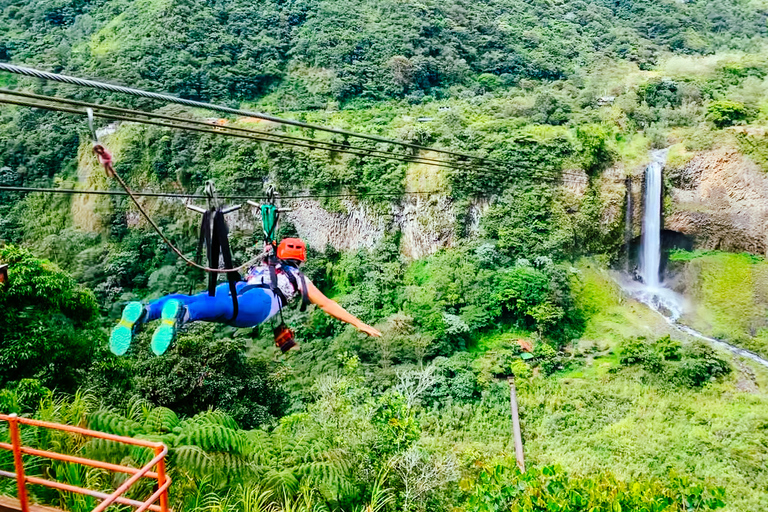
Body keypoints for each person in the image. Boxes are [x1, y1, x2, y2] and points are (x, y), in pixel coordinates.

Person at [109, 238, 382, 356]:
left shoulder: (265, 262)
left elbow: (268, 241)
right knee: (223, 309)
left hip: (241, 285)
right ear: (300, 259)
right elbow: (328, 304)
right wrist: (358, 323)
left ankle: (147, 312)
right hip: (260, 302)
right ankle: (182, 315)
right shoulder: (299, 279)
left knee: (193, 296)